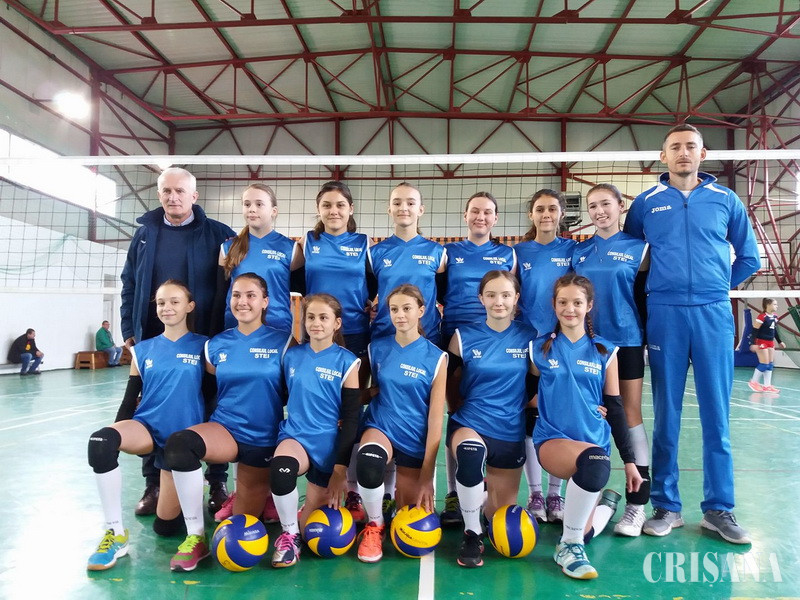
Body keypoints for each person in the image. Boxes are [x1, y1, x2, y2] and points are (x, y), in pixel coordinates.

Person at [624, 123, 760, 544]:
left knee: (717, 415)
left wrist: (715, 287)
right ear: (662, 156)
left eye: (691, 147)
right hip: (665, 315)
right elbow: (628, 261)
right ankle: (667, 506)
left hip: (712, 313)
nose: (683, 153)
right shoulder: (646, 203)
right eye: (675, 147)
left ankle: (719, 509)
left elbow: (750, 258)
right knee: (666, 415)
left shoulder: (726, 199)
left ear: (703, 154)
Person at [119, 167, 235, 518]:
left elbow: (239, 281)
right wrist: (129, 327)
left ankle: (217, 481)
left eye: (180, 191)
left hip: (206, 338)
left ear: (194, 196)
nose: (173, 197)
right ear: (159, 195)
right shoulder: (144, 235)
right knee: (151, 406)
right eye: (167, 191)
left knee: (211, 404)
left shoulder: (219, 234)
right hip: (155, 336)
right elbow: (129, 284)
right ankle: (153, 483)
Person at [163, 273, 294, 572]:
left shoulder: (283, 342)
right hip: (225, 428)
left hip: (262, 437)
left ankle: (263, 499)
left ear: (265, 302)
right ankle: (195, 536)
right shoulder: (216, 345)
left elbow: (294, 390)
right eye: (236, 295)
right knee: (180, 445)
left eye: (250, 295)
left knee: (240, 529)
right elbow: (210, 390)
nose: (242, 301)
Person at [86, 280, 208, 571]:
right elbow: (130, 400)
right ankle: (115, 533)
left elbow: (214, 394)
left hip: (184, 438)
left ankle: (191, 497)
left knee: (165, 527)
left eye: (175, 301)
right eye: (161, 302)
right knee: (100, 443)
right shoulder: (143, 350)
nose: (167, 307)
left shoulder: (205, 346)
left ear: (190, 306)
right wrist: (116, 436)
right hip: (148, 427)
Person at [530, 273, 642, 580]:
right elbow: (525, 394)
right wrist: (550, 401)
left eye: (577, 303)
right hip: (554, 441)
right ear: (554, 305)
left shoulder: (605, 350)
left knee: (587, 529)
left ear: (589, 306)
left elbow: (615, 407)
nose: (570, 309)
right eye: (563, 302)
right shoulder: (539, 349)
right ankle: (569, 546)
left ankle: (606, 506)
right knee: (592, 467)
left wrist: (630, 462)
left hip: (594, 442)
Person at [294, 181, 376, 524]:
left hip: (354, 333)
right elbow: (293, 284)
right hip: (317, 335)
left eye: (340, 205)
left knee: (351, 410)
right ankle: (319, 479)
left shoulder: (364, 243)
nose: (334, 211)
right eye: (327, 205)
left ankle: (350, 486)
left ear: (350, 209)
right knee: (321, 410)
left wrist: (370, 303)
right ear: (319, 209)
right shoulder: (307, 243)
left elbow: (374, 283)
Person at [572, 183, 651, 536]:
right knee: (590, 416)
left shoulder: (639, 249)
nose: (599, 211)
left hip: (627, 341)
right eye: (593, 206)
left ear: (620, 206)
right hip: (589, 344)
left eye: (606, 204)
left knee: (629, 415)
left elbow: (645, 298)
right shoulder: (579, 252)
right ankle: (586, 497)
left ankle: (638, 504)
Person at [446, 270, 536, 568]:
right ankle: (471, 533)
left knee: (499, 516)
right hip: (471, 422)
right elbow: (448, 382)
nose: (499, 301)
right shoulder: (463, 337)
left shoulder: (529, 337)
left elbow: (542, 383)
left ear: (516, 298)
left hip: (509, 430)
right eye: (492, 295)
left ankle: (478, 499)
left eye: (506, 295)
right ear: (481, 298)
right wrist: (455, 409)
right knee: (470, 454)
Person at [438, 192, 516, 527]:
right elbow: (435, 289)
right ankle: (453, 493)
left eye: (487, 212)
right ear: (465, 215)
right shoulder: (450, 253)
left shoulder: (507, 254)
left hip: (496, 339)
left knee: (493, 408)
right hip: (457, 338)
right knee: (456, 411)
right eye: (474, 211)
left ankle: (482, 485)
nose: (480, 217)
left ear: (495, 218)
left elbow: (512, 294)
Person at [355, 284, 447, 563]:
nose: (400, 315)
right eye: (394, 309)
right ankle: (374, 525)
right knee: (368, 462)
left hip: (414, 437)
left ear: (421, 311)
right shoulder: (377, 349)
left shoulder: (436, 358)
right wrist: (369, 393)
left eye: (407, 309)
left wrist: (427, 477)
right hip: (381, 426)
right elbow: (358, 394)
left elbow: (435, 421)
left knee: (411, 513)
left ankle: (392, 504)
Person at [269, 294, 361, 568]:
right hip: (295, 436)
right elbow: (282, 394)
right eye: (310, 317)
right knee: (281, 470)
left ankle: (304, 517)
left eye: (323, 317)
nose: (316, 323)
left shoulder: (347, 361)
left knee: (314, 531)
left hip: (328, 446)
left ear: (337, 323)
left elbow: (351, 418)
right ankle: (289, 535)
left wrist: (340, 470)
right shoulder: (292, 356)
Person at [514, 189, 576, 524]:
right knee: (531, 418)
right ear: (531, 215)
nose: (546, 214)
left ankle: (556, 493)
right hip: (528, 346)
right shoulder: (519, 252)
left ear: (561, 213)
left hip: (562, 346)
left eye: (552, 209)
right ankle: (535, 493)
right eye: (540, 209)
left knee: (560, 418)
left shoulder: (572, 250)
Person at [368, 183, 446, 346]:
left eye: (410, 203)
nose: (403, 208)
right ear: (389, 210)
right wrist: (371, 309)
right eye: (397, 203)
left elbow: (443, 295)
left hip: (427, 337)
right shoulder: (375, 253)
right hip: (385, 336)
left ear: (421, 210)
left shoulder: (437, 252)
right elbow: (367, 295)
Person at [218, 184, 302, 334]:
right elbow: (220, 292)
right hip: (236, 325)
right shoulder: (228, 248)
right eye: (247, 204)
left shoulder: (291, 249)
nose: (252, 209)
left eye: (259, 204)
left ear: (273, 211)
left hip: (276, 327)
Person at [748, 298, 785, 393]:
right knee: (764, 364)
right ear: (768, 305)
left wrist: (780, 341)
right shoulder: (762, 317)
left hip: (770, 342)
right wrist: (752, 344)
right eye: (775, 304)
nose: (777, 306)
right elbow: (754, 331)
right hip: (761, 342)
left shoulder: (775, 316)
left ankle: (767, 386)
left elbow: (774, 330)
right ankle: (753, 382)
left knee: (770, 365)